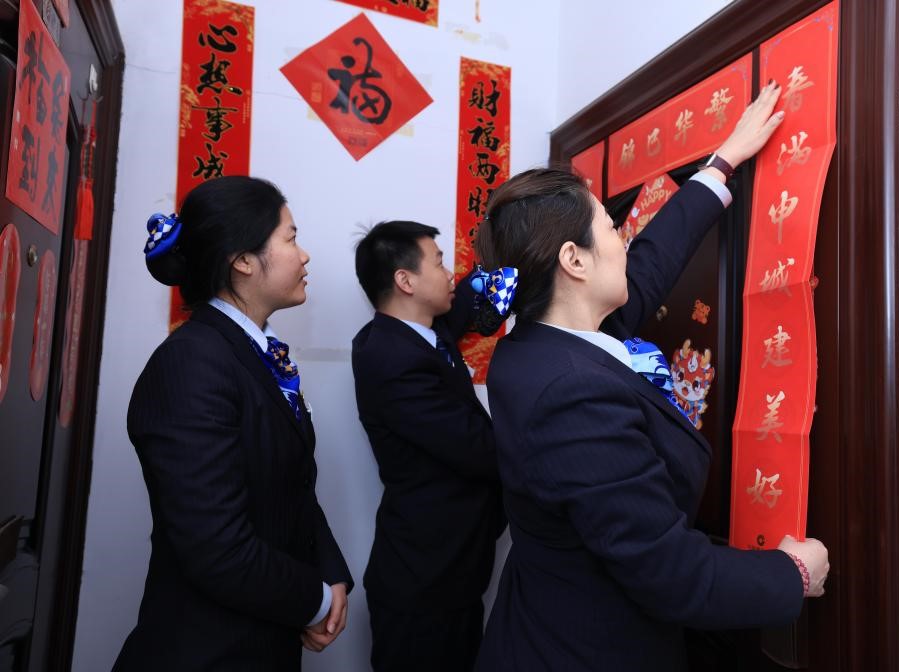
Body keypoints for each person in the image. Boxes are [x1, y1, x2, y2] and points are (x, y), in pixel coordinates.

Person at [472, 83, 830, 671]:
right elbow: (669, 571)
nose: (623, 240)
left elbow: (651, 262)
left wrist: (722, 163)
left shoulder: (537, 342)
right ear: (574, 261)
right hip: (585, 650)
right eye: (609, 227)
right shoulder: (570, 394)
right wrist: (791, 574)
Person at [113, 176, 353, 672]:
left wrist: (329, 574)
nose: (304, 255)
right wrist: (313, 601)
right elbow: (216, 547)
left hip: (261, 638)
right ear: (243, 260)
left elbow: (291, 486)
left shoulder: (250, 352)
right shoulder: (191, 364)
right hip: (207, 651)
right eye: (290, 239)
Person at [352, 221, 506, 671]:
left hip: (451, 576)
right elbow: (480, 449)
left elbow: (461, 304)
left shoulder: (420, 333)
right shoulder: (390, 359)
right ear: (405, 281)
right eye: (438, 263)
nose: (449, 273)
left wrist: (502, 260)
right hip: (423, 585)